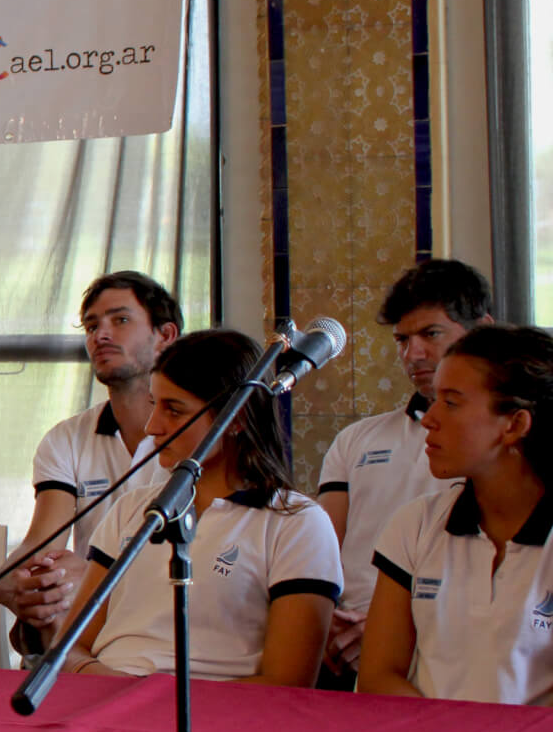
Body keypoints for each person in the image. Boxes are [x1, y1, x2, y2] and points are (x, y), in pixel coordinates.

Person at [57, 330, 341, 684]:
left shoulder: (296, 524)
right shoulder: (132, 510)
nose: (152, 427)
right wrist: (108, 682)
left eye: (174, 410)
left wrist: (154, 698)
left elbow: (287, 683)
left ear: (236, 419)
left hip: (220, 712)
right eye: (153, 404)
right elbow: (68, 648)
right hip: (108, 696)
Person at [316, 260, 492, 687]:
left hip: (446, 643)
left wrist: (384, 631)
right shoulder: (356, 439)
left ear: (482, 331)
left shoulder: (493, 448)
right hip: (342, 644)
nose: (413, 354)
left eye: (431, 334)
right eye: (402, 339)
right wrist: (323, 618)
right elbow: (320, 549)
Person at [360, 324, 553, 706]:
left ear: (515, 425)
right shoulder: (416, 524)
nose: (429, 419)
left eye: (450, 403)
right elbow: (378, 676)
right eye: (434, 399)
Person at [0, 271, 182, 647]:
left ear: (165, 336)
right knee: (50, 593)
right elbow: (43, 543)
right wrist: (15, 581)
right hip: (87, 611)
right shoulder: (66, 438)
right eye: (92, 326)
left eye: (120, 320)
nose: (101, 336)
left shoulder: (196, 434)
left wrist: (96, 575)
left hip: (171, 613)